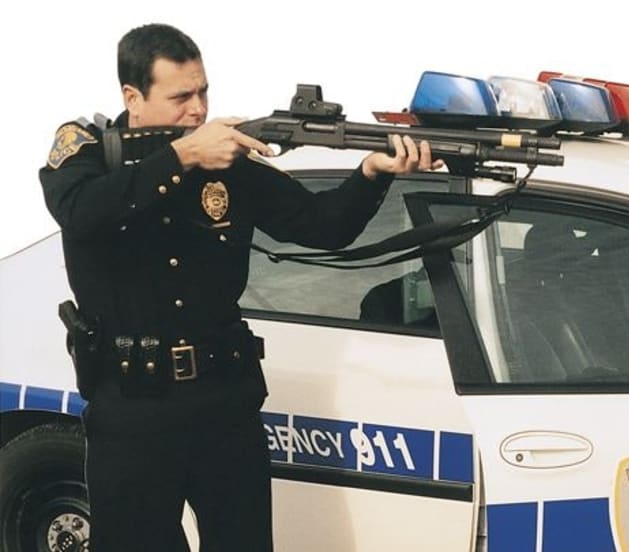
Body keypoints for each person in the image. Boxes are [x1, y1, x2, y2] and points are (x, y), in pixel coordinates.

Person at [39, 23, 441, 551]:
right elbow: (80, 212)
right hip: (132, 407)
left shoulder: (229, 162)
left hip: (224, 401)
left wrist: (372, 171)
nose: (198, 110)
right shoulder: (89, 153)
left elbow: (323, 227)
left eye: (203, 92)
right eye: (181, 97)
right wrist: (182, 158)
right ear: (132, 98)